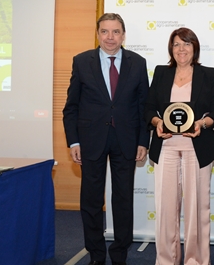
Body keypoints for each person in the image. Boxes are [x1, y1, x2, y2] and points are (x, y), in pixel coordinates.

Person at [63, 13, 150, 265]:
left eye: (115, 32)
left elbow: (143, 106)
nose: (110, 37)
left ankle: (120, 253)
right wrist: (74, 141)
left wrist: (143, 141)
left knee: (123, 200)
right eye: (104, 31)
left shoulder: (138, 62)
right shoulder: (81, 61)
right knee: (90, 200)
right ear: (97, 33)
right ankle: (96, 255)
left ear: (123, 35)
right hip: (91, 141)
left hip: (126, 140)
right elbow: (72, 106)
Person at [145, 27, 214, 265]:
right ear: (171, 48)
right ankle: (165, 260)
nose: (182, 49)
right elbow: (148, 108)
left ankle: (196, 260)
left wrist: (201, 123)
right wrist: (157, 122)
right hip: (166, 147)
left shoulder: (208, 74)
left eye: (187, 44)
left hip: (197, 148)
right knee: (166, 208)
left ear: (195, 48)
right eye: (177, 44)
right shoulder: (160, 73)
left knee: (196, 208)